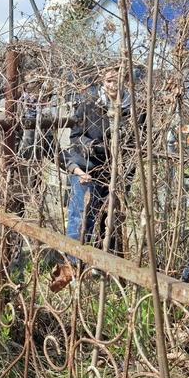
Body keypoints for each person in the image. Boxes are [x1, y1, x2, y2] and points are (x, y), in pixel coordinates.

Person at [50, 66, 130, 293]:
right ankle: (73, 270)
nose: (113, 86)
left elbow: (136, 146)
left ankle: (107, 272)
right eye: (109, 81)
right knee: (81, 218)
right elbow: (74, 138)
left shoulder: (133, 110)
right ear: (103, 82)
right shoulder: (90, 105)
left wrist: (125, 177)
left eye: (118, 80)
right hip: (88, 171)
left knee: (111, 220)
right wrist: (78, 165)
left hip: (116, 174)